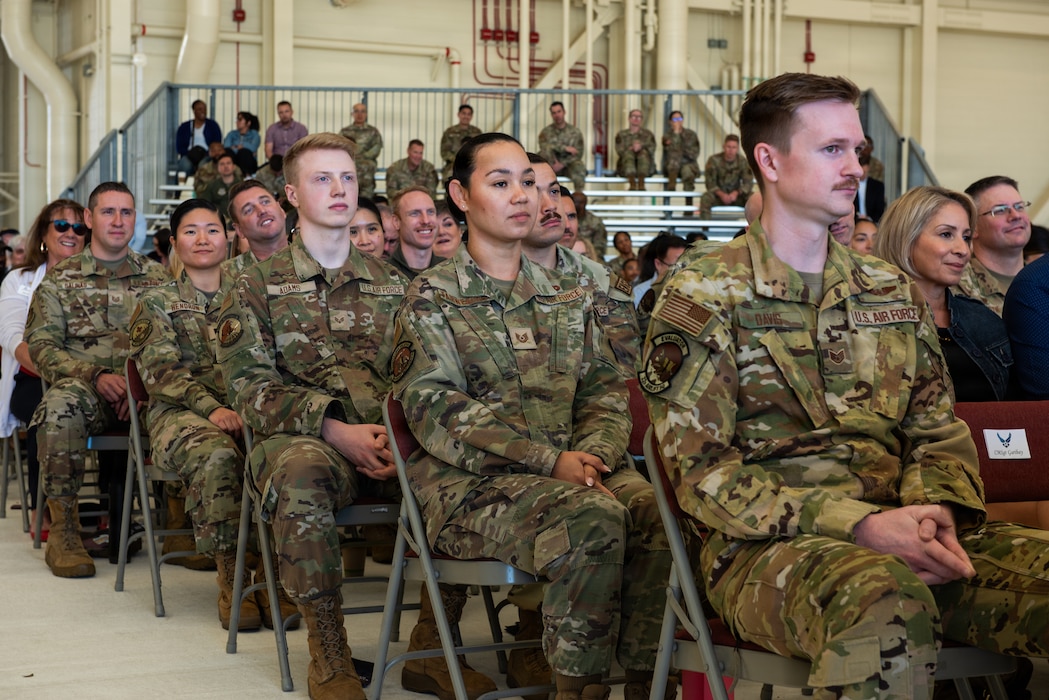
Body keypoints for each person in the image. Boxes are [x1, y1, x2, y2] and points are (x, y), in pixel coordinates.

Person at [644, 71, 1049, 699]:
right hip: (765, 552)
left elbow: (936, 427)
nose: (855, 167)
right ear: (770, 161)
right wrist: (858, 524)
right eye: (832, 149)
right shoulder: (703, 294)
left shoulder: (887, 289)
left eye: (857, 150)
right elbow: (703, 474)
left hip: (912, 530)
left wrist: (935, 510)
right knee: (884, 601)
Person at [392, 132, 670, 700]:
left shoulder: (565, 296)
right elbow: (434, 407)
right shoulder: (431, 297)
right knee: (590, 517)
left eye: (527, 182)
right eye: (500, 183)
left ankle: (646, 685)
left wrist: (594, 457)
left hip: (575, 469)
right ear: (461, 196)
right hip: (468, 487)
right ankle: (578, 690)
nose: (522, 196)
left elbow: (603, 389)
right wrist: (551, 462)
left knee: (657, 513)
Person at [218, 132, 482, 700]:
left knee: (467, 466)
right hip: (304, 441)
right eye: (321, 178)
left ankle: (432, 647)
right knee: (300, 472)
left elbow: (427, 377)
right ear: (290, 193)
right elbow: (247, 386)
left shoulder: (396, 284)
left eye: (348, 178)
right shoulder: (251, 281)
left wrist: (401, 440)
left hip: (390, 443)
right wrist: (335, 429)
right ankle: (329, 652)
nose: (339, 190)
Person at [130, 198, 293, 631]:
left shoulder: (252, 293)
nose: (202, 239)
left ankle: (275, 575)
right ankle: (233, 578)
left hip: (249, 407)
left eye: (212, 230)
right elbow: (163, 375)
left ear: (230, 237)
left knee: (289, 450)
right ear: (173, 243)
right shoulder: (156, 301)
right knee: (220, 455)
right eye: (190, 231)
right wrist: (215, 408)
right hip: (179, 416)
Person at [26, 182, 171, 578]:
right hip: (85, 389)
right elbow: (41, 345)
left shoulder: (158, 278)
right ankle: (66, 532)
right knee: (56, 410)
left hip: (147, 394)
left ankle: (181, 529)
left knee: (190, 408)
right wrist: (95, 374)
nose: (118, 221)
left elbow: (179, 342)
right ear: (89, 219)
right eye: (108, 212)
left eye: (126, 212)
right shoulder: (60, 280)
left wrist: (140, 385)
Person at [875, 186, 1012, 402]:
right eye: (946, 234)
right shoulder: (869, 320)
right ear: (906, 239)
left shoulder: (984, 320)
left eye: (966, 237)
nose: (963, 250)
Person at [0, 200, 87, 541]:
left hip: (89, 381)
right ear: (44, 233)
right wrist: (60, 372)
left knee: (120, 403)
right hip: (33, 379)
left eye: (79, 228)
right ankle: (44, 508)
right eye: (61, 226)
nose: (70, 233)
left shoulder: (102, 280)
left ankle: (115, 514)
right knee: (48, 407)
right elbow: (12, 339)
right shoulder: (19, 280)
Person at [955, 175, 1032, 316]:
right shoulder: (955, 286)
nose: (1016, 215)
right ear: (974, 227)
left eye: (1019, 207)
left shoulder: (1041, 278)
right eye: (1000, 210)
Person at [223, 179, 289, 278]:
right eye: (249, 210)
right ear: (239, 230)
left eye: (265, 202)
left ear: (281, 210)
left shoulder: (315, 258)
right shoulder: (224, 277)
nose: (262, 211)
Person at [387, 186, 444, 280]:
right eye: (415, 213)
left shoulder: (453, 273)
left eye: (430, 212)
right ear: (396, 222)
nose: (425, 221)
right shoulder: (380, 274)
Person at [698, 134, 753, 218]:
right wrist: (721, 194)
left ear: (737, 149)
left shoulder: (742, 161)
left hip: (736, 197)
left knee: (753, 198)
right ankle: (705, 228)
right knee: (706, 198)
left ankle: (754, 228)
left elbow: (748, 183)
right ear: (724, 146)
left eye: (734, 147)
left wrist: (736, 193)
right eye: (728, 146)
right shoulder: (714, 160)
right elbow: (710, 183)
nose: (731, 150)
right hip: (718, 196)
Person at [538, 101, 586, 192]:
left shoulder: (575, 132)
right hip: (550, 166)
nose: (557, 115)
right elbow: (544, 147)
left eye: (559, 111)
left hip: (568, 166)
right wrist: (564, 148)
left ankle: (578, 199)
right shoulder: (545, 132)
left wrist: (562, 164)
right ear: (551, 115)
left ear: (564, 112)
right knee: (543, 155)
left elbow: (578, 153)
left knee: (579, 167)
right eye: (554, 113)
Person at [339, 103, 383, 199]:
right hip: (350, 164)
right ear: (352, 114)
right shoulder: (345, 132)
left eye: (363, 111)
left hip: (366, 170)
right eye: (357, 111)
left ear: (366, 114)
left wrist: (362, 156)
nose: (360, 114)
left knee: (366, 200)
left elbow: (377, 148)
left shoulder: (373, 131)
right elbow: (339, 147)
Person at [176, 99, 222, 176]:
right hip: (189, 154)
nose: (203, 111)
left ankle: (202, 188)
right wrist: (189, 154)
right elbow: (179, 146)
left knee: (203, 167)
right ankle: (180, 187)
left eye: (204, 109)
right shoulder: (184, 127)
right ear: (194, 111)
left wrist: (211, 153)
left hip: (207, 155)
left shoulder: (213, 125)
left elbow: (217, 142)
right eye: (200, 109)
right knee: (185, 166)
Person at [614, 109, 656, 190]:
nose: (636, 119)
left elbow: (652, 150)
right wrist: (631, 148)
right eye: (634, 116)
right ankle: (632, 183)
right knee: (628, 153)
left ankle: (641, 183)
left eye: (639, 117)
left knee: (643, 153)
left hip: (646, 168)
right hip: (625, 168)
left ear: (642, 120)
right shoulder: (622, 135)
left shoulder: (648, 134)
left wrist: (641, 147)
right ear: (629, 119)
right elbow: (619, 150)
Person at [439, 104, 481, 182]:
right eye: (464, 113)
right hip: (454, 164)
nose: (466, 116)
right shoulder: (450, 132)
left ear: (471, 116)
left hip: (472, 164)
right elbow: (444, 152)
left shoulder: (477, 132)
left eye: (469, 114)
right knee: (449, 178)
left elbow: (481, 150)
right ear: (459, 114)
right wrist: (458, 159)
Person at [661, 110, 700, 194]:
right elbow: (669, 150)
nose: (678, 121)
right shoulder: (667, 136)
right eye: (675, 120)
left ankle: (688, 201)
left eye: (679, 118)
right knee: (673, 159)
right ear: (670, 122)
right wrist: (676, 134)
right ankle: (671, 186)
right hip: (672, 168)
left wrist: (680, 150)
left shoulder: (691, 134)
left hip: (688, 164)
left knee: (687, 171)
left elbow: (694, 154)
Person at [200, 152, 242, 219]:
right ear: (218, 168)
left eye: (228, 163)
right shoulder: (212, 186)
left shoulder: (242, 185)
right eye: (222, 164)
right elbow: (203, 205)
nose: (225, 166)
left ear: (234, 166)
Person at [571, 191, 608, 259]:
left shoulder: (595, 222)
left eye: (580, 202)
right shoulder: (564, 220)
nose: (577, 205)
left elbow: (600, 246)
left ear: (585, 203)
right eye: (575, 202)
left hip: (591, 257)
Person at [223, 111, 261, 175]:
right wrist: (240, 148)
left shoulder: (254, 134)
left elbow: (253, 148)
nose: (237, 122)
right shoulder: (232, 134)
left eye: (240, 120)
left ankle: (247, 176)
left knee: (244, 152)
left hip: (248, 161)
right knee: (228, 152)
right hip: (234, 159)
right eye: (237, 119)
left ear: (248, 123)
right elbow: (226, 146)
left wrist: (238, 146)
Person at [855, 154, 886, 223]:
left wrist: (868, 219)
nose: (862, 174)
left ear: (868, 168)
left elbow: (880, 210)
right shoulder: (850, 184)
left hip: (872, 222)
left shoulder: (878, 186)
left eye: (864, 172)